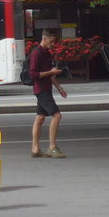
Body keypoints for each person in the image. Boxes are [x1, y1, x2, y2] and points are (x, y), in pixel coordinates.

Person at [29, 29, 68, 158]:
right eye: (51, 41)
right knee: (57, 115)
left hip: (46, 89)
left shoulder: (47, 53)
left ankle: (35, 149)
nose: (53, 44)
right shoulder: (36, 53)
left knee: (40, 118)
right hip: (41, 90)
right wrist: (51, 72)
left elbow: (50, 73)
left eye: (54, 42)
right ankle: (52, 147)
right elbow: (33, 74)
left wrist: (59, 88)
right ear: (44, 39)